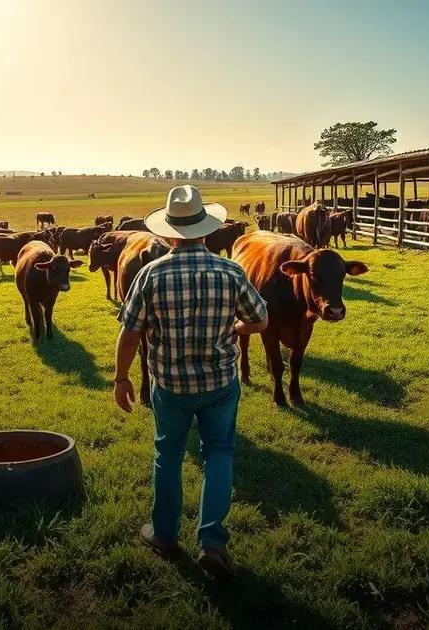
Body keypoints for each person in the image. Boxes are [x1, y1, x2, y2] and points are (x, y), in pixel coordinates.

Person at [113, 184, 268, 580]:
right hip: (219, 382)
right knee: (219, 453)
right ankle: (212, 541)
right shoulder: (230, 270)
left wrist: (120, 378)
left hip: (170, 384)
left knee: (168, 455)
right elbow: (261, 320)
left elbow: (130, 332)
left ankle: (164, 535)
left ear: (167, 233)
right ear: (206, 230)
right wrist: (236, 325)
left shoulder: (150, 273)